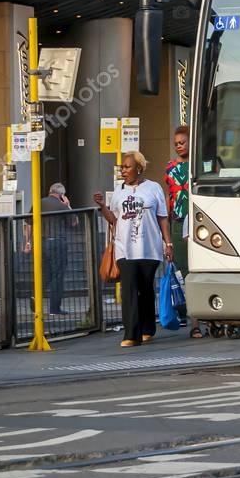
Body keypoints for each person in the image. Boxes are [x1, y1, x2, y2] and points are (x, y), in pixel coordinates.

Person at [94, 151, 172, 348]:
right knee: (129, 290)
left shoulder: (153, 188)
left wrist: (168, 243)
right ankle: (131, 334)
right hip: (124, 248)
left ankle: (147, 328)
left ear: (139, 168)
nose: (123, 170)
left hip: (149, 248)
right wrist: (103, 207)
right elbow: (114, 220)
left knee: (145, 289)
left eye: (127, 166)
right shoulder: (118, 191)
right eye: (122, 167)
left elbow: (162, 217)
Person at [164, 125, 199, 337]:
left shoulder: (202, 164)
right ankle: (190, 316)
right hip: (178, 222)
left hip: (197, 220)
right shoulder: (170, 169)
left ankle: (200, 318)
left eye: (182, 142)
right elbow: (171, 198)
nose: (178, 146)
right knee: (183, 270)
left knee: (195, 270)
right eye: (176, 143)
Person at [23, 182, 72, 315]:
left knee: (44, 274)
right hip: (57, 243)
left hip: (41, 243)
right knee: (58, 275)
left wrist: (28, 242)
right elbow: (74, 222)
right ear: (62, 195)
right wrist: (68, 205)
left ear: (50, 191)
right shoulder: (62, 206)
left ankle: (35, 296)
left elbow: (28, 223)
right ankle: (54, 308)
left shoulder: (39, 203)